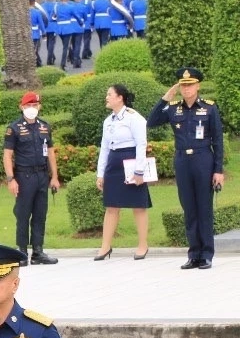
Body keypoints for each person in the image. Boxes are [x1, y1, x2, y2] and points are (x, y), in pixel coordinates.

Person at [147, 68, 225, 269]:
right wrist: (165, 98)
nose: (186, 89)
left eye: (190, 85)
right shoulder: (174, 108)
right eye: (183, 85)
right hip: (182, 160)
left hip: (203, 159)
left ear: (198, 86)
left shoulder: (209, 108)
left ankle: (207, 254)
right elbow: (152, 121)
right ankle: (194, 253)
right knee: (188, 207)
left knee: (204, 208)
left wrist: (218, 170)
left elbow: (217, 141)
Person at [93, 84, 151, 260]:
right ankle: (105, 246)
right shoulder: (108, 120)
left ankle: (142, 245)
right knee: (111, 206)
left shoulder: (134, 118)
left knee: (138, 206)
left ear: (120, 98)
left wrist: (139, 171)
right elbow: (104, 148)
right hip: (114, 162)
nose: (107, 97)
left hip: (131, 160)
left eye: (109, 94)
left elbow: (141, 144)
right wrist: (100, 173)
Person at [3, 92, 61, 266]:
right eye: (28, 105)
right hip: (24, 176)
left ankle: (38, 251)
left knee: (40, 214)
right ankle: (21, 252)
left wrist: (55, 177)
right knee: (23, 214)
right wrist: (10, 179)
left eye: (35, 105)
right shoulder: (13, 128)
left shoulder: (44, 126)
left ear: (39, 106)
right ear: (22, 107)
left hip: (42, 175)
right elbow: (7, 156)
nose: (32, 109)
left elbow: (50, 153)